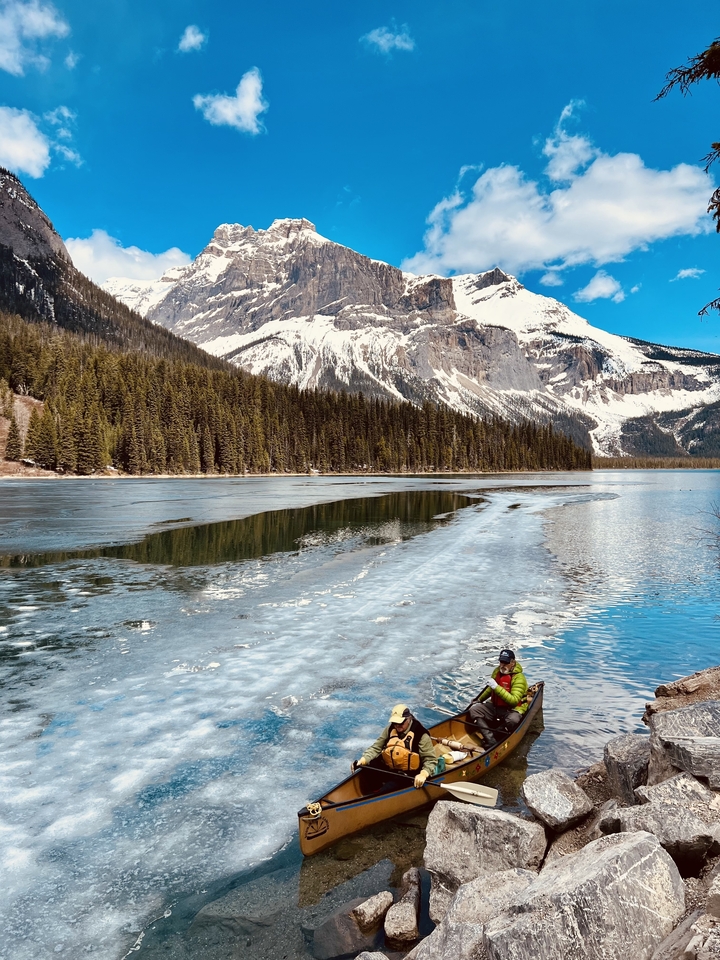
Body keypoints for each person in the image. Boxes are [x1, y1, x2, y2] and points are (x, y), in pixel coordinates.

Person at [352, 703, 438, 788]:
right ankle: (375, 790)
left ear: (408, 719)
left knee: (390, 787)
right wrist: (363, 760)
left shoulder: (421, 734)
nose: (397, 726)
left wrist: (424, 774)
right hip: (391, 769)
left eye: (400, 723)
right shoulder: (390, 729)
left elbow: (430, 760)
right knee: (369, 767)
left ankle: (382, 793)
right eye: (395, 723)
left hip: (409, 774)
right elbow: (376, 747)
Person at [468, 649, 528, 749]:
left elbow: (514, 700)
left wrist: (496, 687)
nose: (502, 665)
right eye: (501, 662)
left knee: (512, 720)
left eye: (506, 663)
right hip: (496, 706)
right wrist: (479, 699)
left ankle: (497, 735)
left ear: (512, 663)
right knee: (474, 709)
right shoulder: (497, 671)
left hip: (512, 709)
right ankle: (491, 740)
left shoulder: (519, 678)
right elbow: (489, 689)